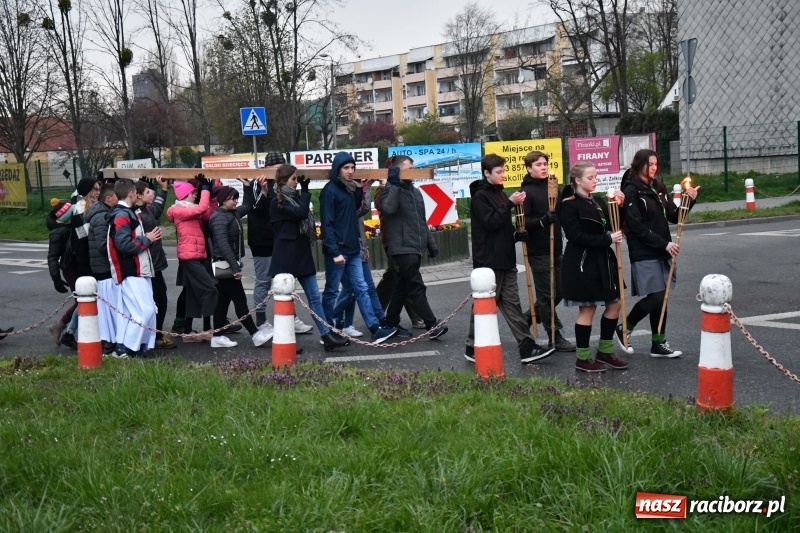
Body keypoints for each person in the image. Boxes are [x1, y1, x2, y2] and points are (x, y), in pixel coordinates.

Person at [464, 154, 554, 364]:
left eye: (503, 171)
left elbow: (502, 227)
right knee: (487, 304)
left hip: (505, 258)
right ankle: (472, 345)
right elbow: (491, 223)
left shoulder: (500, 193)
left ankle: (526, 347)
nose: (503, 175)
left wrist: (516, 235)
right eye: (499, 172)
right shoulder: (480, 197)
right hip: (489, 261)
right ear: (487, 173)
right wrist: (509, 204)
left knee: (513, 304)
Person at [618, 149, 698, 357]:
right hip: (644, 250)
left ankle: (658, 343)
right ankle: (625, 327)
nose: (653, 168)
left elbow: (674, 216)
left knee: (662, 298)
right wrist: (663, 244)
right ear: (639, 165)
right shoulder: (631, 190)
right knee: (656, 296)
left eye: (656, 164)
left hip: (663, 248)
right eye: (650, 164)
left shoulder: (658, 187)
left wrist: (689, 201)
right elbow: (635, 226)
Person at [319, 151, 397, 344]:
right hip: (338, 251)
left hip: (353, 250)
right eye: (346, 168)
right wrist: (334, 251)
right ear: (337, 169)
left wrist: (363, 189)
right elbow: (327, 224)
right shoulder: (329, 191)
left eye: (352, 168)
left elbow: (358, 212)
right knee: (331, 291)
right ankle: (327, 331)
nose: (350, 171)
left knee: (361, 288)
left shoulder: (351, 189)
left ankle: (374, 329)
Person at [269, 164, 347, 351]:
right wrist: (305, 191)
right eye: (294, 179)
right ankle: (285, 341)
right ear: (284, 181)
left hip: (301, 254)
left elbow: (303, 214)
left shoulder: (294, 198)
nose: (297, 182)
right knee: (285, 300)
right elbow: (301, 213)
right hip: (286, 255)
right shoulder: (277, 201)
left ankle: (326, 336)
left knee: (314, 298)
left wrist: (302, 192)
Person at [560, 162, 629, 372]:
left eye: (596, 177)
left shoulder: (598, 201)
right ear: (577, 180)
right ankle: (582, 358)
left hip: (604, 261)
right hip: (583, 263)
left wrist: (618, 206)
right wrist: (607, 239)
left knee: (615, 303)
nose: (595, 181)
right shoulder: (569, 205)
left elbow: (614, 225)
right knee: (588, 308)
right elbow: (575, 236)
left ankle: (605, 352)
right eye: (590, 178)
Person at [380, 155, 448, 339]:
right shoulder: (389, 190)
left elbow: (421, 222)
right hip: (402, 248)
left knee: (402, 287)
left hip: (415, 248)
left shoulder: (415, 192)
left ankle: (390, 322)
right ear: (398, 171)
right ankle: (432, 325)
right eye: (409, 169)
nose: (413, 172)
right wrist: (394, 184)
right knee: (416, 286)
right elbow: (388, 209)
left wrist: (431, 244)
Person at [249, 152, 313, 335]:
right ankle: (261, 320)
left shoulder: (287, 189)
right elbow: (255, 210)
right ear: (266, 168)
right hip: (262, 239)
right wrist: (263, 192)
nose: (278, 170)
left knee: (286, 282)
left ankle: (291, 318)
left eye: (281, 166)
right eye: (275, 167)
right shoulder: (257, 184)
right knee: (264, 281)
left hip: (281, 240)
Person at [520, 151, 576, 352]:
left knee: (561, 290)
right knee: (547, 295)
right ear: (529, 168)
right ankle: (554, 335)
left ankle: (528, 317)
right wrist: (543, 221)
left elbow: (560, 212)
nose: (543, 167)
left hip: (557, 248)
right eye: (538, 165)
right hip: (539, 251)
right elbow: (523, 222)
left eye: (545, 164)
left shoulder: (553, 187)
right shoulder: (526, 192)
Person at [209, 183, 273, 348]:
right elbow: (223, 245)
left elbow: (248, 205)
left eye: (236, 198)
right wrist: (235, 268)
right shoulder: (219, 218)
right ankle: (255, 334)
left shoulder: (233, 213)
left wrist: (247, 186)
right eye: (233, 199)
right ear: (223, 200)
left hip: (228, 264)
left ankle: (217, 336)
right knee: (240, 301)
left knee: (222, 302)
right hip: (225, 265)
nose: (236, 201)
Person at [107, 178, 161, 357]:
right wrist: (148, 239)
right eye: (136, 193)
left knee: (142, 311)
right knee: (145, 311)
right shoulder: (122, 215)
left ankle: (134, 347)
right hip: (132, 271)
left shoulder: (126, 213)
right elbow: (123, 245)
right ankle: (126, 348)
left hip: (137, 270)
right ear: (131, 193)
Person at [167, 177, 218, 343]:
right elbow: (202, 208)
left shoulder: (190, 209)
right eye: (192, 193)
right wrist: (205, 189)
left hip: (197, 255)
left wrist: (211, 196)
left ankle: (188, 332)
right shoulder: (178, 210)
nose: (195, 195)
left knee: (191, 294)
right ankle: (207, 329)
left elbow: (207, 213)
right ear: (184, 195)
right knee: (210, 289)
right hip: (189, 257)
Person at [135, 177, 176, 349]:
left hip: (155, 264)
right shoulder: (136, 214)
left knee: (160, 298)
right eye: (147, 192)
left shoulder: (146, 209)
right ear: (138, 195)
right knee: (155, 301)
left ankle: (156, 334)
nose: (151, 194)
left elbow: (157, 208)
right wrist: (148, 239)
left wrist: (164, 190)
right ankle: (153, 336)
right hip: (147, 265)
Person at [86, 182, 119, 353]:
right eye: (117, 196)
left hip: (104, 267)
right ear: (108, 198)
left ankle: (110, 339)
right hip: (104, 268)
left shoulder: (104, 213)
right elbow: (102, 245)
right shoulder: (101, 217)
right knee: (108, 308)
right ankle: (108, 340)